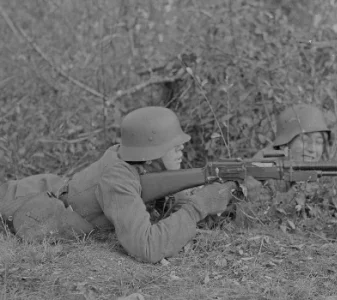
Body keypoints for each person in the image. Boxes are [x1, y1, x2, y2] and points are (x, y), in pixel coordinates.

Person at [0, 106, 250, 264]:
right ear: (150, 152)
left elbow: (166, 198)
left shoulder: (141, 165)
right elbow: (147, 247)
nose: (181, 146)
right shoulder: (118, 178)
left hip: (50, 188)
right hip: (21, 201)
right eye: (171, 143)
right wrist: (198, 207)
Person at [250, 103, 332, 215]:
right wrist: (297, 192)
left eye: (318, 141)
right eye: (304, 140)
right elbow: (258, 215)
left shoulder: (308, 167)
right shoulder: (265, 167)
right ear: (285, 144)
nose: (312, 149)